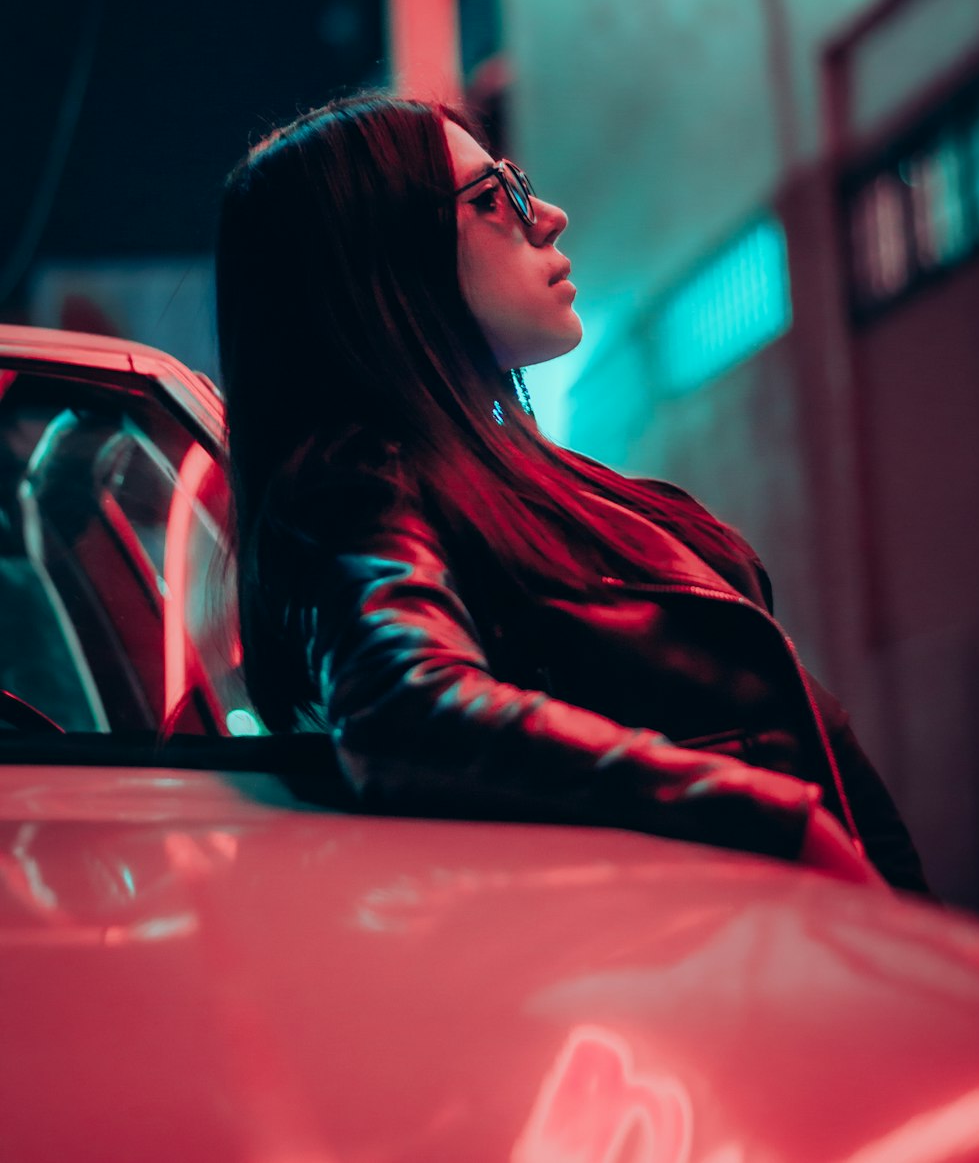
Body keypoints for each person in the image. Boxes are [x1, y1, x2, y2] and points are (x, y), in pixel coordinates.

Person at [214, 93, 931, 894]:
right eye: (493, 198)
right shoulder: (355, 480)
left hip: (814, 947)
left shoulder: (516, 481)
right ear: (377, 259)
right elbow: (402, 708)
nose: (546, 216)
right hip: (714, 961)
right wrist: (768, 820)